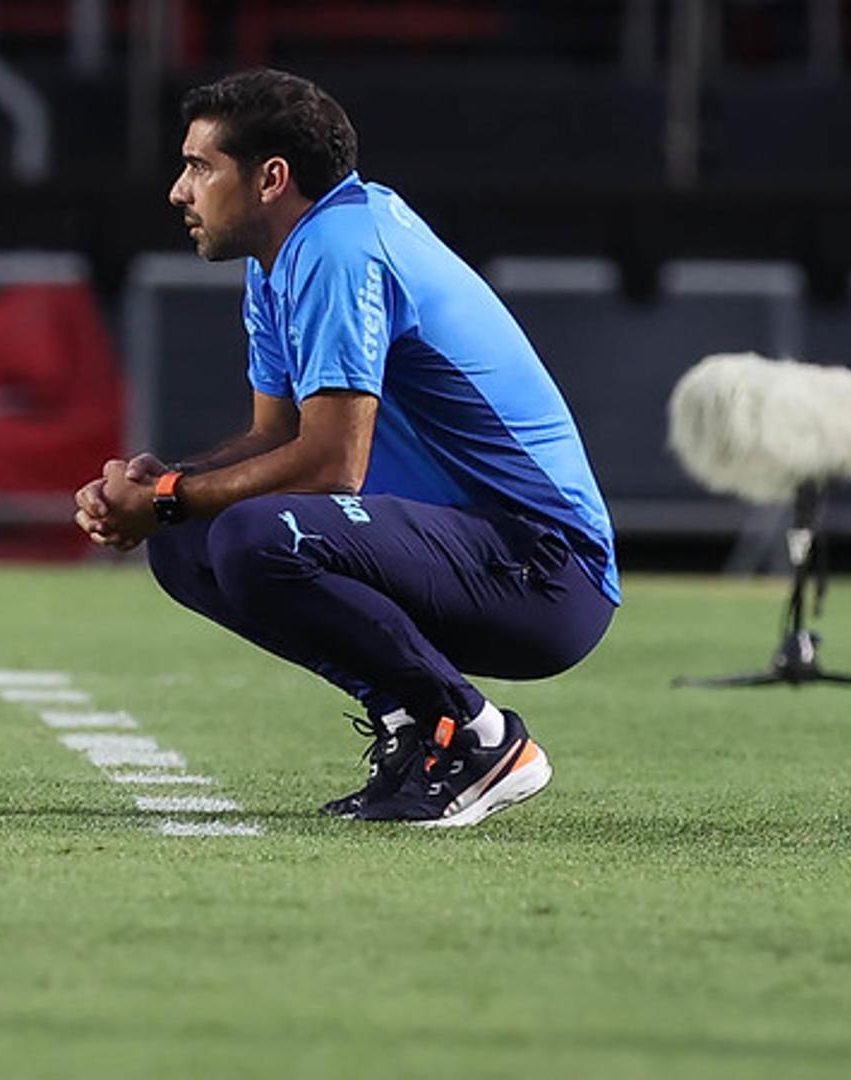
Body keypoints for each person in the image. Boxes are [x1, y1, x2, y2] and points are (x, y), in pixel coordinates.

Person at [73, 69, 619, 828]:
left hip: (545, 571)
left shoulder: (339, 247)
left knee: (249, 535)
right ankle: (413, 726)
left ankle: (477, 737)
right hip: (470, 551)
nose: (178, 190)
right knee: (187, 542)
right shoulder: (283, 257)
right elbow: (277, 438)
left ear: (271, 178)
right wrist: (161, 488)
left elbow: (333, 466)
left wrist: (164, 497)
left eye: (200, 166)